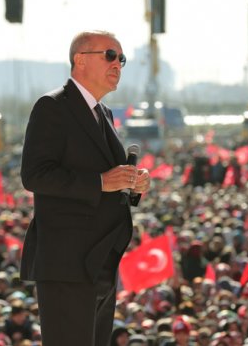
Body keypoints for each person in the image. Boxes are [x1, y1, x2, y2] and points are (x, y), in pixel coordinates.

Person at [19, 30, 151, 346]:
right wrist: (101, 182)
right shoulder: (53, 106)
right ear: (80, 59)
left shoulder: (103, 113)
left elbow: (109, 179)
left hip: (101, 259)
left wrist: (133, 184)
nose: (117, 64)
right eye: (109, 55)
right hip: (67, 262)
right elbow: (34, 175)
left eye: (122, 58)